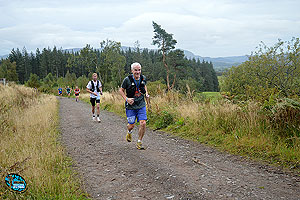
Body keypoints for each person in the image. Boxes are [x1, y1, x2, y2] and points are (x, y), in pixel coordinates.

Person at [119, 62, 149, 150]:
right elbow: (120, 90)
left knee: (143, 123)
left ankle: (139, 142)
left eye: (139, 70)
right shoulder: (127, 80)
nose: (138, 72)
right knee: (131, 125)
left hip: (141, 104)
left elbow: (144, 86)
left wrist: (146, 93)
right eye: (135, 70)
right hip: (131, 106)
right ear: (132, 71)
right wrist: (126, 99)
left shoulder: (143, 78)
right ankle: (129, 131)